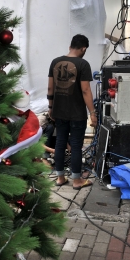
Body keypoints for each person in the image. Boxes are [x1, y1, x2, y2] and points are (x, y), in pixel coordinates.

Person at [47, 34, 97, 189]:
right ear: (83, 48)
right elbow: (86, 90)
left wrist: (50, 107)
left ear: (70, 46)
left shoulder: (55, 62)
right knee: (75, 145)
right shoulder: (83, 64)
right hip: (76, 113)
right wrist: (93, 113)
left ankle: (60, 178)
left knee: (60, 143)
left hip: (59, 111)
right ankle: (76, 180)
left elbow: (50, 87)